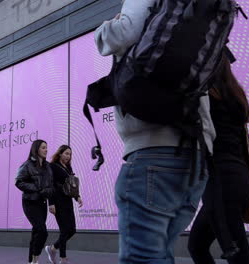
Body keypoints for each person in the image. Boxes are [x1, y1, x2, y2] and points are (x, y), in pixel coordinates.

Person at [94, 1, 215, 263]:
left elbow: (123, 33)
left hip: (153, 154)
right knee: (159, 255)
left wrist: (105, 28)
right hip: (195, 155)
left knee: (142, 258)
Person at [188, 55, 249, 264]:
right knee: (197, 245)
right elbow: (246, 142)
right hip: (240, 178)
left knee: (236, 252)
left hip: (221, 181)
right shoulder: (234, 94)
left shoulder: (204, 94)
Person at [16, 140, 55, 264]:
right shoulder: (27, 165)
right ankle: (35, 260)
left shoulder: (48, 166)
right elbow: (19, 182)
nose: (46, 150)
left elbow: (51, 185)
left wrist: (51, 202)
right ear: (36, 149)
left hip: (42, 203)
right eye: (43, 147)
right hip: (30, 202)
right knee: (42, 231)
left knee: (36, 232)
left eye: (46, 147)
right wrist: (37, 188)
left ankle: (31, 261)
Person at [45, 145, 84, 264]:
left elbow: (72, 185)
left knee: (72, 230)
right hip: (57, 201)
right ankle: (63, 258)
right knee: (64, 230)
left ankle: (52, 248)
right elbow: (49, 185)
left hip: (67, 201)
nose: (68, 156)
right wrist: (50, 203)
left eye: (70, 154)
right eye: (66, 153)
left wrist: (77, 197)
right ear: (60, 153)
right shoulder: (52, 166)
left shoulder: (68, 167)